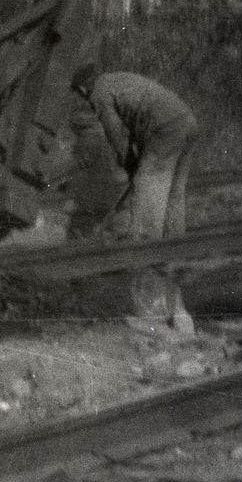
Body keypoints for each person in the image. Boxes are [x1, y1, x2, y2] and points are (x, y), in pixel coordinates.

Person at [72, 65, 202, 335]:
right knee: (173, 193)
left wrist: (130, 164)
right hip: (187, 121)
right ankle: (175, 243)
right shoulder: (116, 79)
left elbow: (116, 135)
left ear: (83, 88)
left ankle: (148, 253)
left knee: (147, 185)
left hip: (164, 128)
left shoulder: (99, 93)